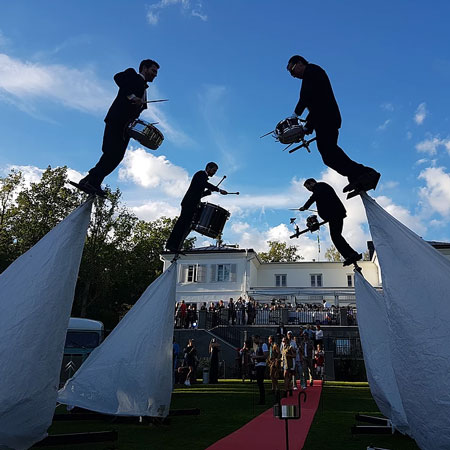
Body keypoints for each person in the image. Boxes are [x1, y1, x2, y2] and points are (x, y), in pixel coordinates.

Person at [286, 55, 379, 192]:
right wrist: (307, 127)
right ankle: (356, 176)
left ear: (299, 63)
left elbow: (306, 96)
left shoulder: (313, 71)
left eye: (292, 70)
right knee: (328, 154)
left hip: (327, 118)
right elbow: (316, 103)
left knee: (329, 151)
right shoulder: (311, 77)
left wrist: (295, 115)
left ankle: (365, 172)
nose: (293, 75)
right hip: (322, 118)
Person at [78, 59, 160, 196]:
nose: (155, 75)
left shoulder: (144, 88)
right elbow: (118, 78)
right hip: (117, 120)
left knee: (116, 156)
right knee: (111, 153)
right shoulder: (131, 74)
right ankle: (90, 180)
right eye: (153, 71)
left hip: (126, 128)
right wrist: (133, 97)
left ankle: (93, 181)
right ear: (144, 68)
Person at [166, 162, 228, 253]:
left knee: (186, 226)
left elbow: (196, 193)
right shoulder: (201, 174)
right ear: (208, 168)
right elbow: (204, 184)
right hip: (189, 203)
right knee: (182, 224)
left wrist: (206, 193)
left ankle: (177, 247)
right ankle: (172, 245)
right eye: (213, 170)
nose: (214, 173)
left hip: (191, 203)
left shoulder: (202, 178)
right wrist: (218, 190)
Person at [299, 178, 361, 266]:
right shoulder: (322, 187)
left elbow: (313, 198)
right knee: (336, 236)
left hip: (335, 215)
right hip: (335, 215)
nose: (309, 190)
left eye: (308, 187)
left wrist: (305, 207)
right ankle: (349, 255)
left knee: (336, 236)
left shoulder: (319, 187)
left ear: (312, 183)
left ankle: (351, 254)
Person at [252, 335, 269, 405]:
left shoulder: (263, 345)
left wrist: (256, 357)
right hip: (258, 364)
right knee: (259, 383)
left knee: (260, 383)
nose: (254, 341)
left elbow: (265, 356)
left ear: (258, 338)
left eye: (254, 340)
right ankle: (261, 399)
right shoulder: (258, 346)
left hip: (261, 365)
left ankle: (262, 399)